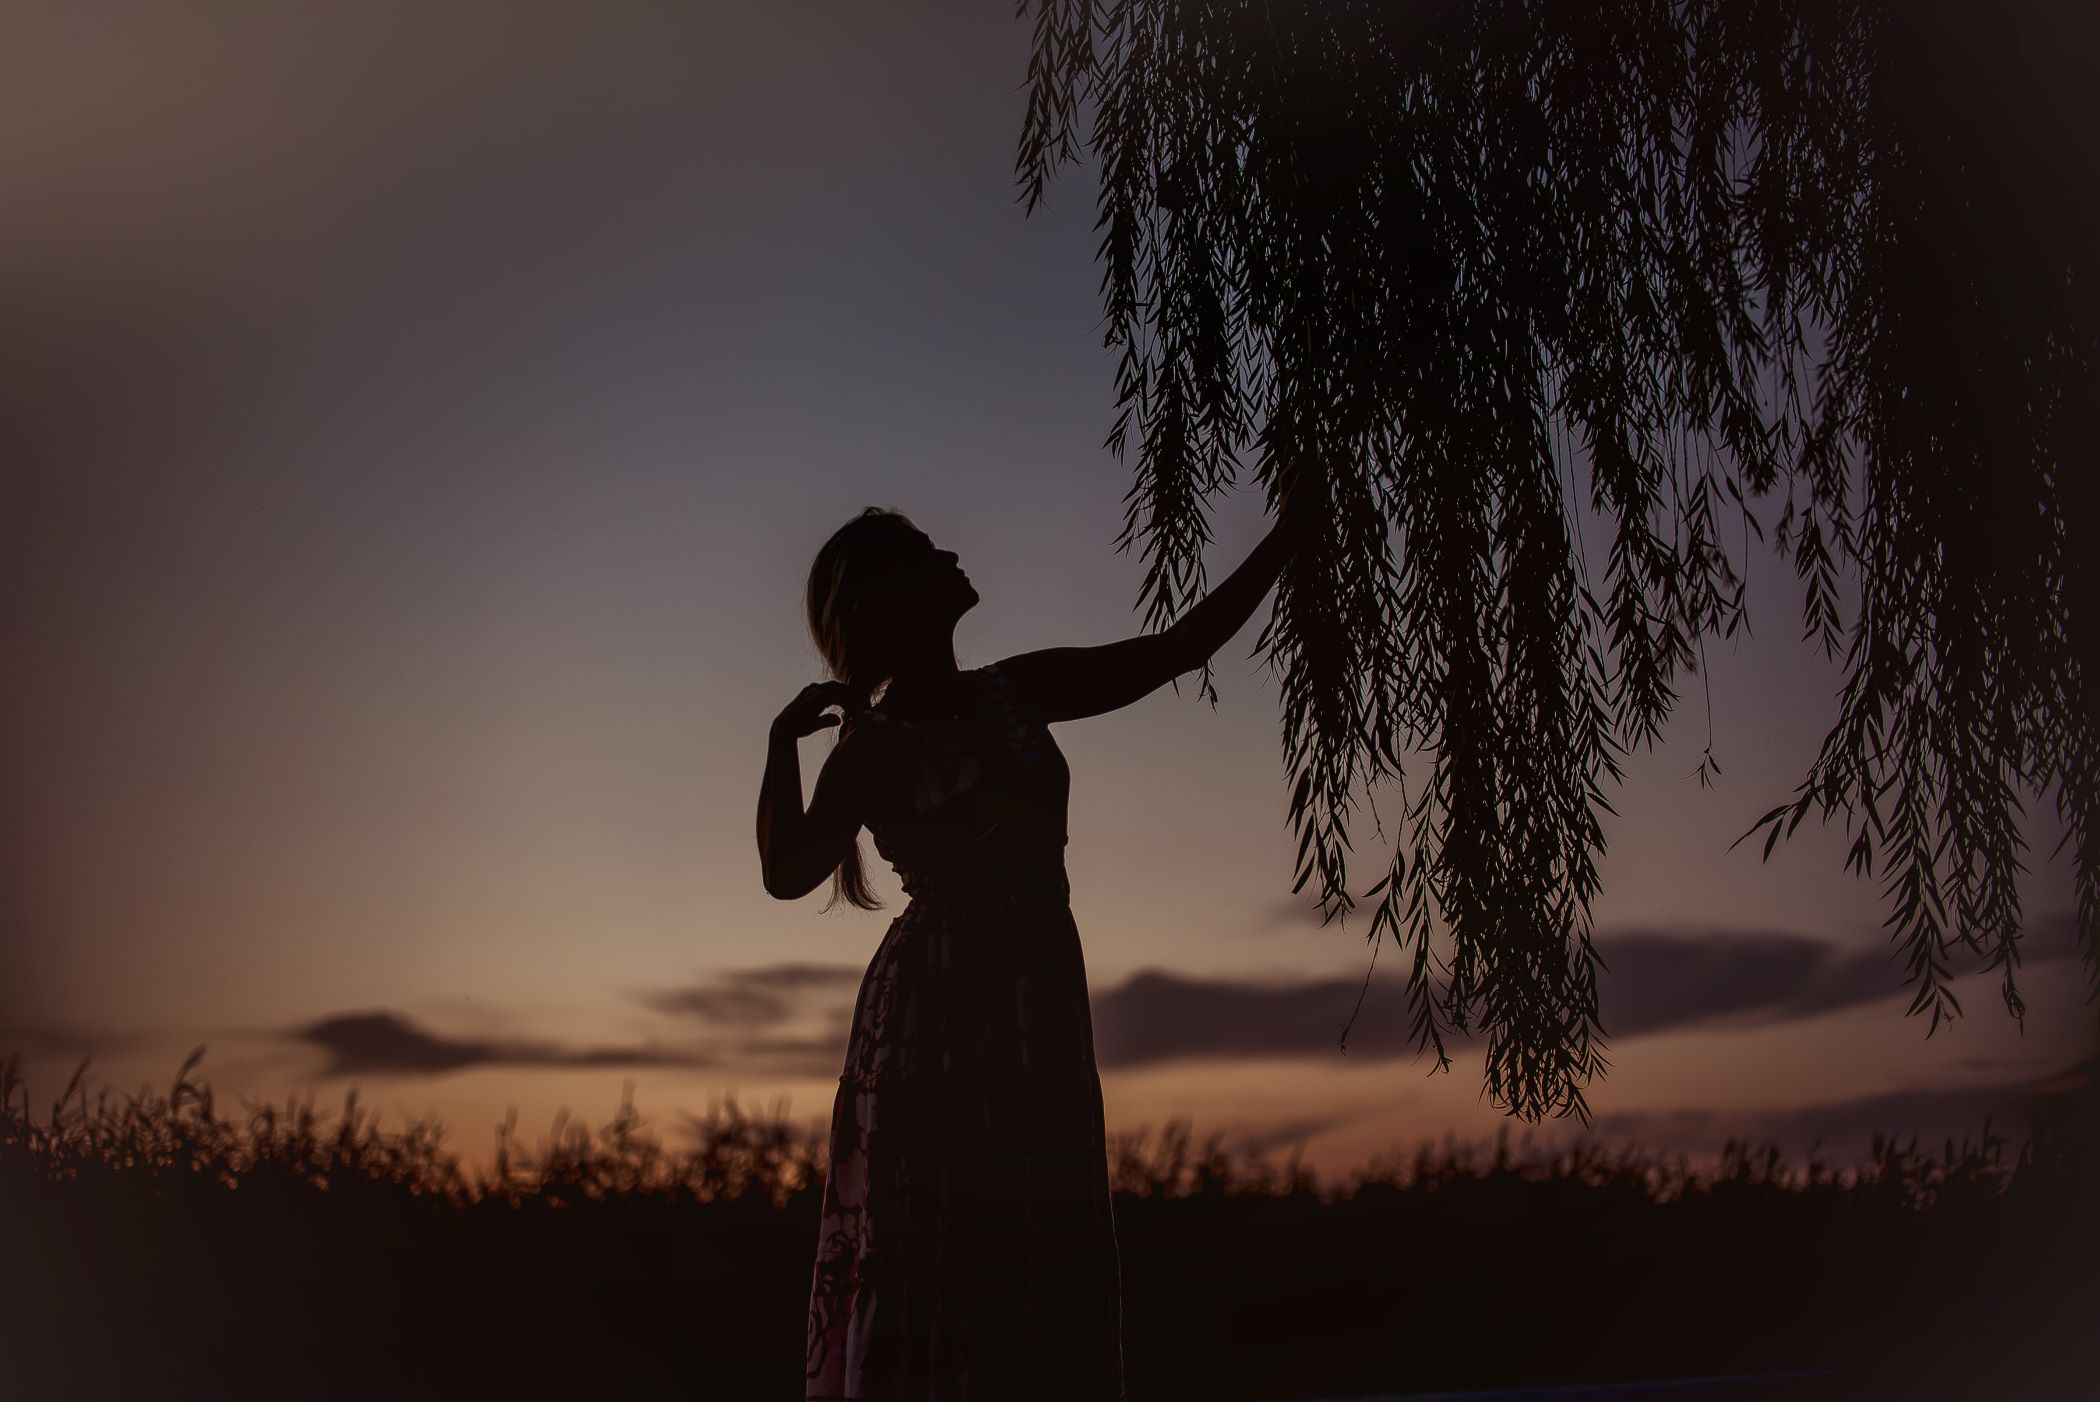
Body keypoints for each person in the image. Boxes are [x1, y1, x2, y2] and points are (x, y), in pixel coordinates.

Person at [759, 477, 1317, 1400]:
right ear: (886, 603)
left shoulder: (1015, 689)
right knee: (944, 1223)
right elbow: (788, 873)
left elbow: (1176, 649)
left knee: (1031, 1217)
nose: (951, 555)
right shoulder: (872, 746)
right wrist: (784, 744)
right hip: (940, 997)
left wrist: (1290, 537)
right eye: (925, 557)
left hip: (1034, 981)